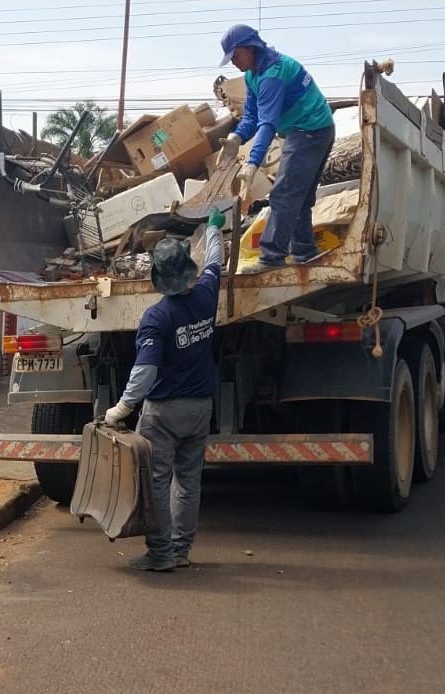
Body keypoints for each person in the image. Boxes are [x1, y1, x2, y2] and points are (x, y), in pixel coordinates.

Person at [104, 208, 226, 571]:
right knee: (188, 481)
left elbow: (145, 371)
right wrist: (215, 229)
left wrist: (121, 409)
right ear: (189, 269)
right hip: (201, 407)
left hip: (164, 413)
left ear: (159, 278)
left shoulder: (158, 317)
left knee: (156, 481)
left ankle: (161, 555)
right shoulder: (206, 294)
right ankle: (181, 550)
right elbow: (215, 262)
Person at [217, 24, 335, 274]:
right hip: (311, 129)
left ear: (249, 48)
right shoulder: (253, 74)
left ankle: (271, 259)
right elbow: (251, 117)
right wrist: (236, 138)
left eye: (235, 56)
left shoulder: (273, 73)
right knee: (298, 197)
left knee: (283, 194)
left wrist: (253, 162)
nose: (233, 63)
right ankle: (305, 253)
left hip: (309, 130)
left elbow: (268, 123)